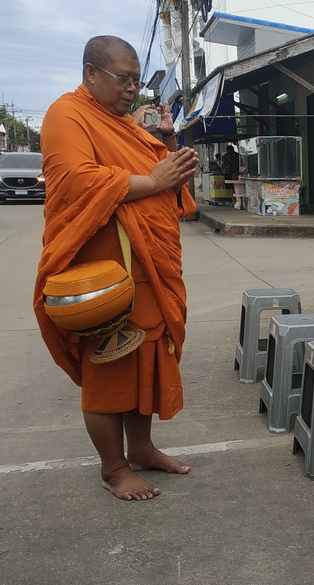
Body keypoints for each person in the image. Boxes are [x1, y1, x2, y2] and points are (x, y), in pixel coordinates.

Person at [33, 35, 199, 501]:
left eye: (136, 81)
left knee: (146, 358)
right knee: (108, 367)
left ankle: (141, 449)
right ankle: (113, 468)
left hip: (148, 267)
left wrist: (166, 144)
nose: (131, 89)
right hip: (100, 276)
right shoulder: (66, 114)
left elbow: (162, 178)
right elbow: (75, 181)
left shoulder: (124, 125)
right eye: (123, 79)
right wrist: (153, 179)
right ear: (91, 73)